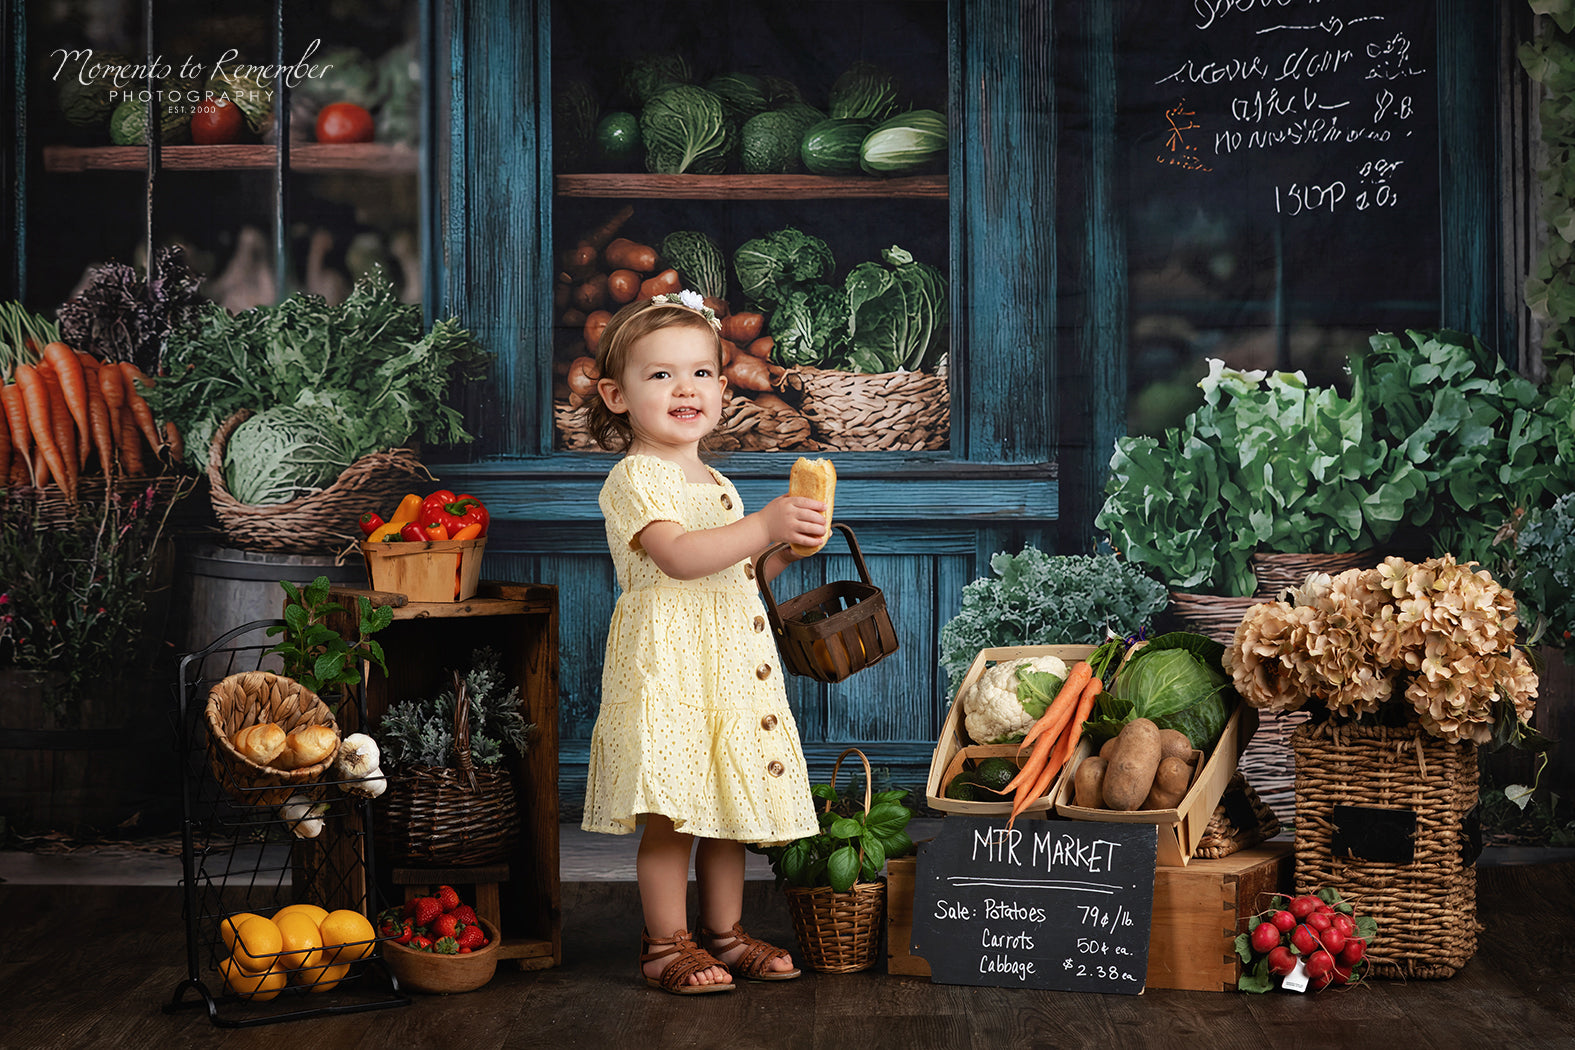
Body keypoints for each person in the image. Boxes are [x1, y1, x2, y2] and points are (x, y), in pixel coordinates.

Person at [579, 290, 828, 995]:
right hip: (671, 670)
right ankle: (664, 943)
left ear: (722, 388)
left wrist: (783, 548)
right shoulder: (633, 477)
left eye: (700, 373)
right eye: (659, 375)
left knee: (725, 808)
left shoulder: (712, 478)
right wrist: (766, 521)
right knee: (672, 812)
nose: (684, 388)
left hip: (726, 664)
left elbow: (737, 569)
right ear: (615, 394)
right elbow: (680, 557)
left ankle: (724, 934)